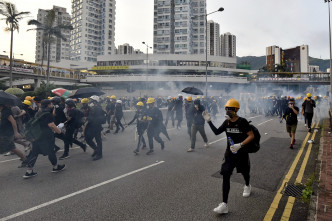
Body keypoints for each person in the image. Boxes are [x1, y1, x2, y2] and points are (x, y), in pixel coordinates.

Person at [202, 98, 254, 214]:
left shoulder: (242, 121)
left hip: (242, 152)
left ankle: (247, 185)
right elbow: (216, 132)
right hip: (230, 154)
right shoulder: (227, 122)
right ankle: (224, 204)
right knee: (226, 175)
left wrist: (240, 145)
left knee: (245, 172)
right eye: (226, 109)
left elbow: (251, 136)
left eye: (230, 109)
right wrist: (209, 121)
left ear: (236, 110)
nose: (227, 111)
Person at [23, 99, 65, 179]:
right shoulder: (47, 114)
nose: (52, 105)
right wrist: (60, 132)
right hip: (46, 136)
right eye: (51, 104)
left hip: (37, 135)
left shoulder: (38, 112)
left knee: (34, 153)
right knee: (50, 151)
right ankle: (55, 167)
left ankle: (29, 171)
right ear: (48, 105)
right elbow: (51, 125)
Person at [85, 96, 105, 161]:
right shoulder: (93, 108)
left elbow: (94, 118)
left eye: (91, 100)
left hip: (96, 126)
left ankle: (99, 154)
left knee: (98, 140)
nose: (90, 101)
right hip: (92, 126)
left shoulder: (98, 108)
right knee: (88, 139)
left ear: (95, 101)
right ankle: (96, 149)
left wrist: (88, 118)